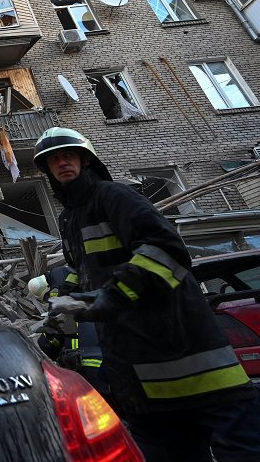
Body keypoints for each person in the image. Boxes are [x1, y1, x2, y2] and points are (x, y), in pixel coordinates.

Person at [34, 127, 260, 462]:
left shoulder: (114, 197)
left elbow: (165, 248)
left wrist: (114, 296)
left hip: (187, 353)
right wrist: (64, 302)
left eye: (68, 154)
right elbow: (84, 269)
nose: (62, 162)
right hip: (139, 371)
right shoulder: (71, 218)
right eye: (53, 159)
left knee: (241, 450)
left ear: (85, 159)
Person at [29, 266, 113, 408]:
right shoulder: (93, 303)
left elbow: (49, 342)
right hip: (108, 363)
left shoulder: (61, 298)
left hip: (84, 366)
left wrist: (46, 338)